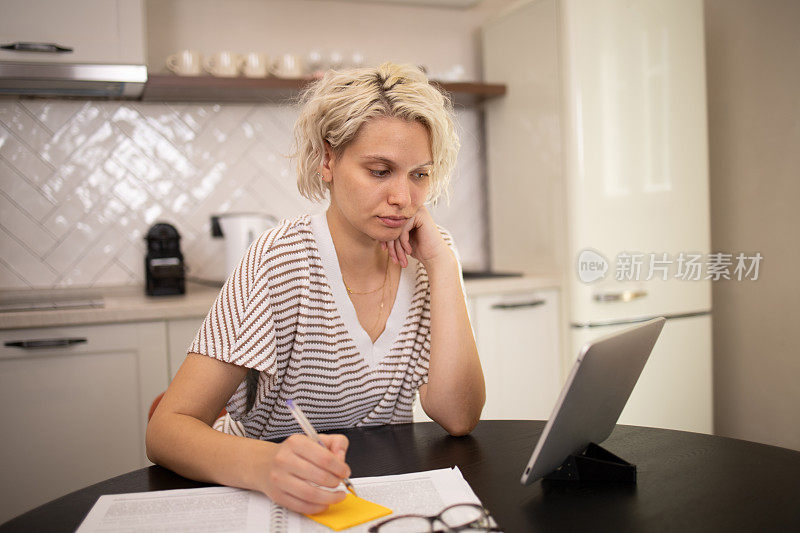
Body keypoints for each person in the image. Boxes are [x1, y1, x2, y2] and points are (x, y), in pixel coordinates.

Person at [145, 62, 486, 515]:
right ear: (328, 160)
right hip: (263, 496)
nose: (404, 198)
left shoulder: (431, 261)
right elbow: (166, 430)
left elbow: (458, 417)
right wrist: (267, 466)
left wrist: (443, 264)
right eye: (380, 171)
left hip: (374, 500)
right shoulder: (278, 260)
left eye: (419, 175)